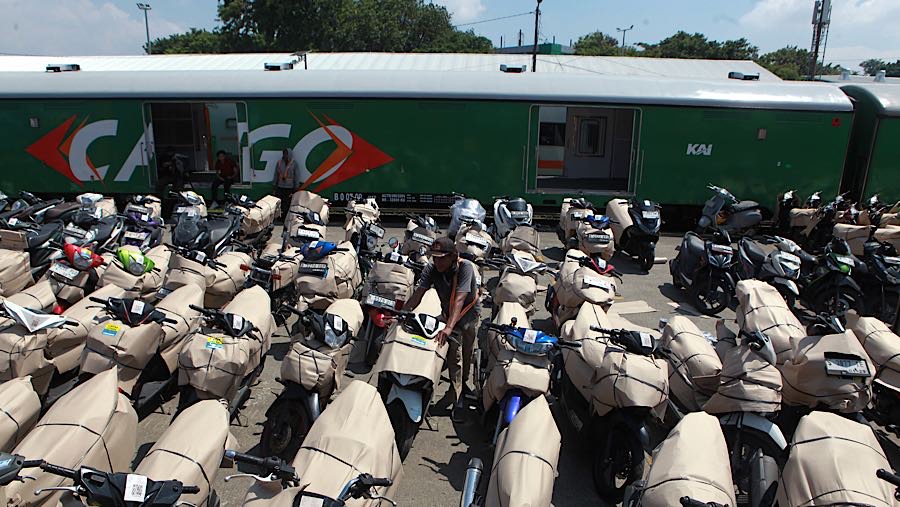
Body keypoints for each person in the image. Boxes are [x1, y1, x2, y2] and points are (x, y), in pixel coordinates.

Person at [403, 236, 481, 423]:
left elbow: (461, 300)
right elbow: (418, 294)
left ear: (453, 256)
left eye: (442, 257)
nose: (437, 261)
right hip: (448, 314)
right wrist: (401, 313)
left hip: (467, 317)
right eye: (434, 257)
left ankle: (459, 395)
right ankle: (456, 390)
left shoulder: (465, 268)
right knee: (453, 355)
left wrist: (449, 328)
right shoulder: (432, 268)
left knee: (465, 353)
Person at [273, 148, 303, 221]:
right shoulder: (279, 162)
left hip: (289, 187)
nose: (285, 155)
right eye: (284, 153)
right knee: (281, 203)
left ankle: (286, 217)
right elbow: (276, 175)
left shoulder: (294, 163)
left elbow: (297, 176)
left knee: (288, 203)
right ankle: (281, 216)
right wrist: (274, 185)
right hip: (280, 186)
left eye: (286, 153)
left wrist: (296, 187)